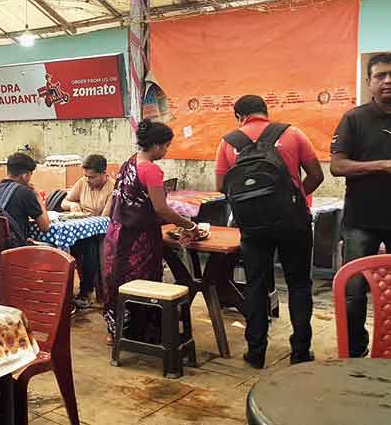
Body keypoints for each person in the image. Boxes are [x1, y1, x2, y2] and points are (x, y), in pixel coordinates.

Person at [216, 95, 323, 368]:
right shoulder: (293, 133)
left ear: (239, 116)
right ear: (266, 111)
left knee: (255, 286)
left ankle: (256, 352)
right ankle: (300, 351)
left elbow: (221, 186)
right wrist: (294, 200)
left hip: (252, 228)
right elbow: (316, 175)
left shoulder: (228, 142)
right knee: (299, 285)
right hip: (294, 224)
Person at [102, 119, 199, 345]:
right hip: (139, 239)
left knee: (117, 279)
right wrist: (190, 226)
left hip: (117, 233)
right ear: (156, 146)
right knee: (142, 282)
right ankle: (139, 333)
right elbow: (162, 209)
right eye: (166, 146)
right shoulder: (151, 170)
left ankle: (116, 330)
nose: (166, 151)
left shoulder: (130, 163)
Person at [330, 52, 391, 358]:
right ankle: (354, 352)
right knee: (354, 291)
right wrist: (382, 166)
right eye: (380, 75)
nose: (388, 80)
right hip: (360, 221)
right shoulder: (354, 119)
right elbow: (337, 166)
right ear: (369, 82)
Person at [61, 154, 115, 309]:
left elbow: (103, 220)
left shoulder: (112, 188)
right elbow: (65, 201)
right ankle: (65, 292)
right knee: (63, 246)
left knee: (89, 246)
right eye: (85, 176)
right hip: (80, 228)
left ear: (104, 173)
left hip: (100, 233)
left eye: (92, 177)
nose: (88, 180)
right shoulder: (83, 182)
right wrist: (72, 206)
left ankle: (86, 291)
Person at [0, 152, 51, 247]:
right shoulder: (25, 192)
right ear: (25, 175)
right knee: (56, 247)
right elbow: (45, 226)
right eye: (30, 175)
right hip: (15, 250)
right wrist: (37, 196)